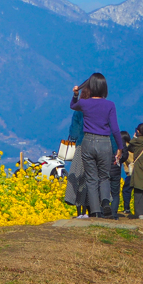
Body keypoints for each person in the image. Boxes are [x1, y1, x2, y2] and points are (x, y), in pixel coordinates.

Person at [70, 72, 124, 218]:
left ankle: (95, 211)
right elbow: (115, 129)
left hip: (88, 142)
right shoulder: (110, 105)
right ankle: (105, 202)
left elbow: (73, 106)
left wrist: (76, 93)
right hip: (105, 142)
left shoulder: (84, 103)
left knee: (91, 179)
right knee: (104, 177)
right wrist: (120, 148)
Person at [63, 81, 88, 217]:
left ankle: (79, 210)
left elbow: (74, 130)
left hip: (81, 145)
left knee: (77, 177)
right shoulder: (97, 107)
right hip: (97, 146)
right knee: (91, 179)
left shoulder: (80, 110)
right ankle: (90, 210)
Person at [120, 130, 133, 213]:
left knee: (126, 190)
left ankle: (127, 209)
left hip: (132, 173)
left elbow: (129, 159)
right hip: (139, 172)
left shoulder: (126, 148)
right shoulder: (133, 146)